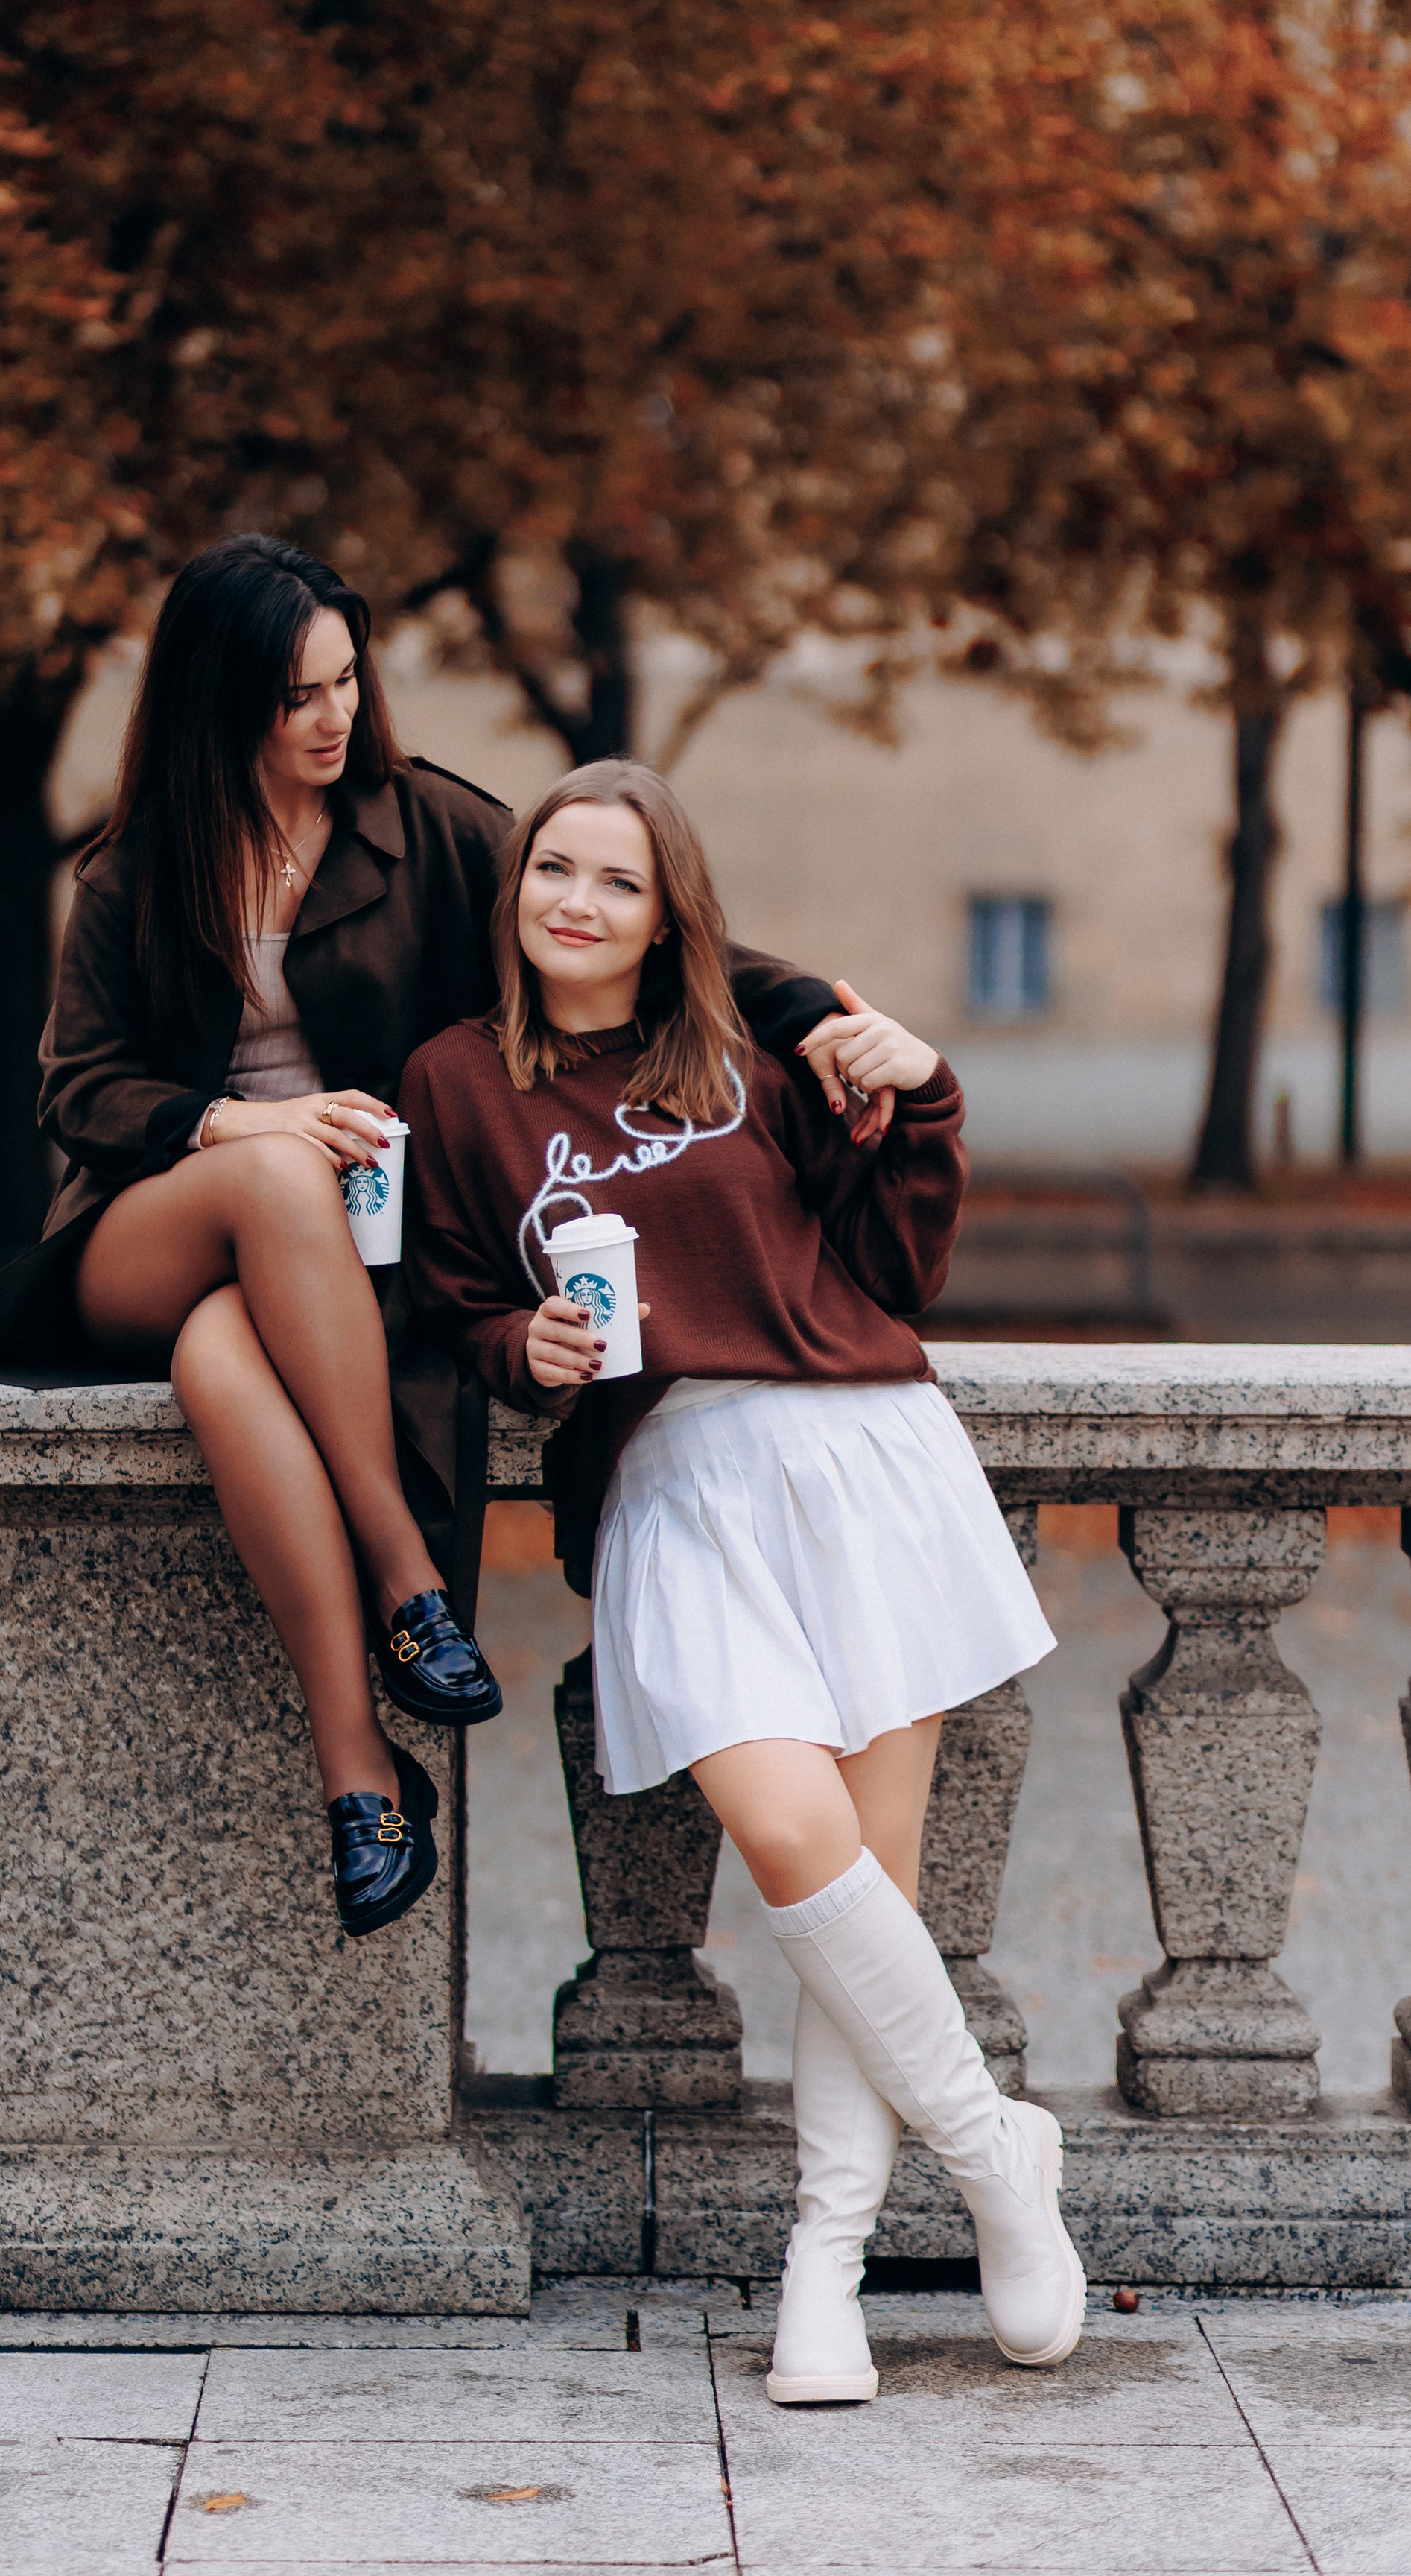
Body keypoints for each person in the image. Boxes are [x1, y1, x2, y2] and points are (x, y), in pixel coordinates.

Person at [0, 534, 897, 1944]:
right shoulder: (137, 871)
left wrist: (819, 1019)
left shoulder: (435, 832)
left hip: (338, 1275)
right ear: (222, 702)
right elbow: (78, 1090)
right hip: (145, 1231)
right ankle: (407, 1577)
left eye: (347, 679)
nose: (335, 717)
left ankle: (360, 1768)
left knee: (228, 1362)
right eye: (296, 697)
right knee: (273, 1190)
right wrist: (238, 1125)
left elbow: (641, 927)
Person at [398, 757, 1083, 2401]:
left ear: (667, 913)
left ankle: (822, 2269)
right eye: (549, 869)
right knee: (790, 1841)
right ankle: (996, 2156)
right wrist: (520, 1341)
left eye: (616, 882)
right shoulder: (454, 1081)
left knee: (871, 1895)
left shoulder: (742, 1054)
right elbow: (440, 1296)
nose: (574, 901)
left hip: (856, 1457)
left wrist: (922, 1096)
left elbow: (893, 1261)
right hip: (668, 1485)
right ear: (515, 892)